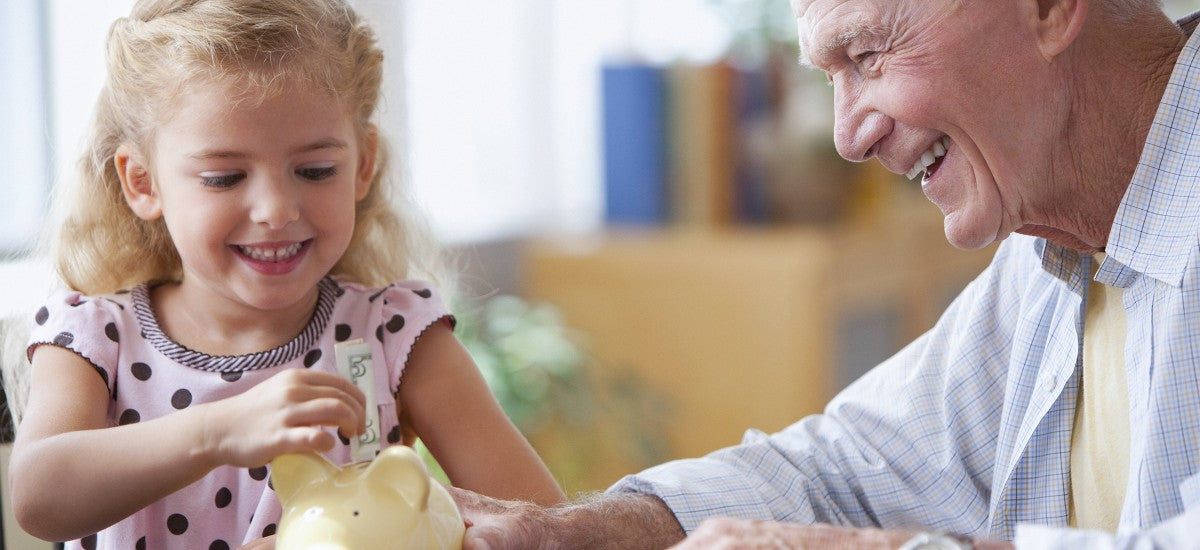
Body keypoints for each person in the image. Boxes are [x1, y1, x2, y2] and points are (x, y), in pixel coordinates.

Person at [450, 0, 1200, 548]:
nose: (848, 137)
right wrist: (589, 531)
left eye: (868, 56)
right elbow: (848, 470)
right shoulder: (1052, 257)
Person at [8, 0, 566, 548]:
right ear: (143, 183)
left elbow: (547, 529)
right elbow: (39, 497)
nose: (276, 209)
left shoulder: (394, 336)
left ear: (363, 165)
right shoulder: (95, 334)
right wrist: (218, 432)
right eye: (224, 177)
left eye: (316, 170)